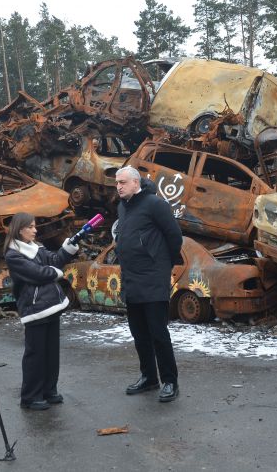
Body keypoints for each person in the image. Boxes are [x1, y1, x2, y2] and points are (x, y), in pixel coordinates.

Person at [114, 166, 182, 403]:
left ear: (135, 182)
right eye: (117, 183)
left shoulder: (155, 204)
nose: (119, 187)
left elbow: (174, 236)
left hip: (153, 279)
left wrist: (162, 265)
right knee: (139, 334)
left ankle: (170, 381)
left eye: (122, 182)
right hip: (131, 280)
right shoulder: (122, 207)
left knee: (158, 334)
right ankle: (149, 377)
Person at [4, 212, 79, 411]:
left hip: (51, 306)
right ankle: (30, 396)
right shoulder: (13, 255)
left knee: (51, 353)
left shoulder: (37, 248)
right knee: (35, 354)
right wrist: (57, 273)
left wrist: (69, 246)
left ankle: (48, 390)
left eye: (35, 226)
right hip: (34, 308)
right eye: (31, 227)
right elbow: (38, 274)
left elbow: (54, 260)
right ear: (20, 230)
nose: (35, 230)